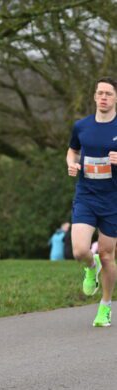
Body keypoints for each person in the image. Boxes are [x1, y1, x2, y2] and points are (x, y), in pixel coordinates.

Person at [66, 76, 117, 327]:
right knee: (79, 250)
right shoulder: (82, 126)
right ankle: (90, 265)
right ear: (95, 96)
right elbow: (72, 150)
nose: (104, 97)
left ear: (115, 97)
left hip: (113, 199)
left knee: (108, 255)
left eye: (108, 93)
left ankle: (105, 307)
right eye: (100, 93)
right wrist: (71, 164)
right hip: (86, 195)